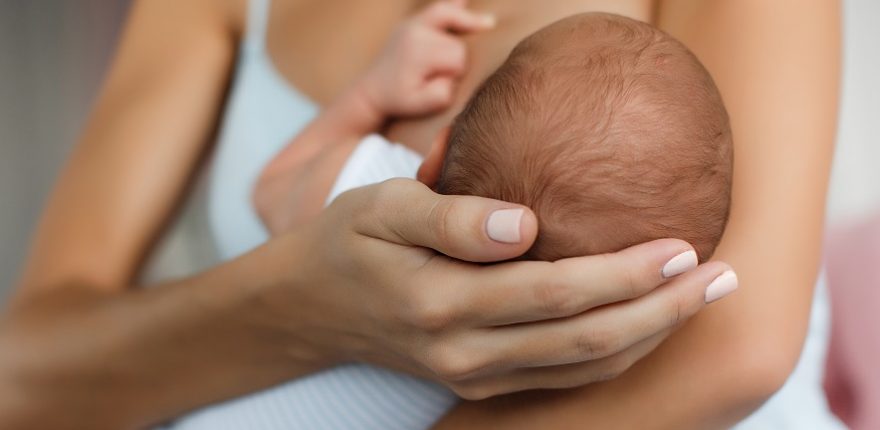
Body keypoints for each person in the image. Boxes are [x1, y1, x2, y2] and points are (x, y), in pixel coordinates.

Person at [0, 1, 839, 429]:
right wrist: (303, 307)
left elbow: (744, 351)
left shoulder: (367, 183)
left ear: (434, 163)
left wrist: (365, 102)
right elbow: (21, 377)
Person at [176, 11, 737, 429]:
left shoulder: (372, 188)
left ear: (437, 152)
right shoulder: (581, 362)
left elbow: (273, 189)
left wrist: (372, 95)